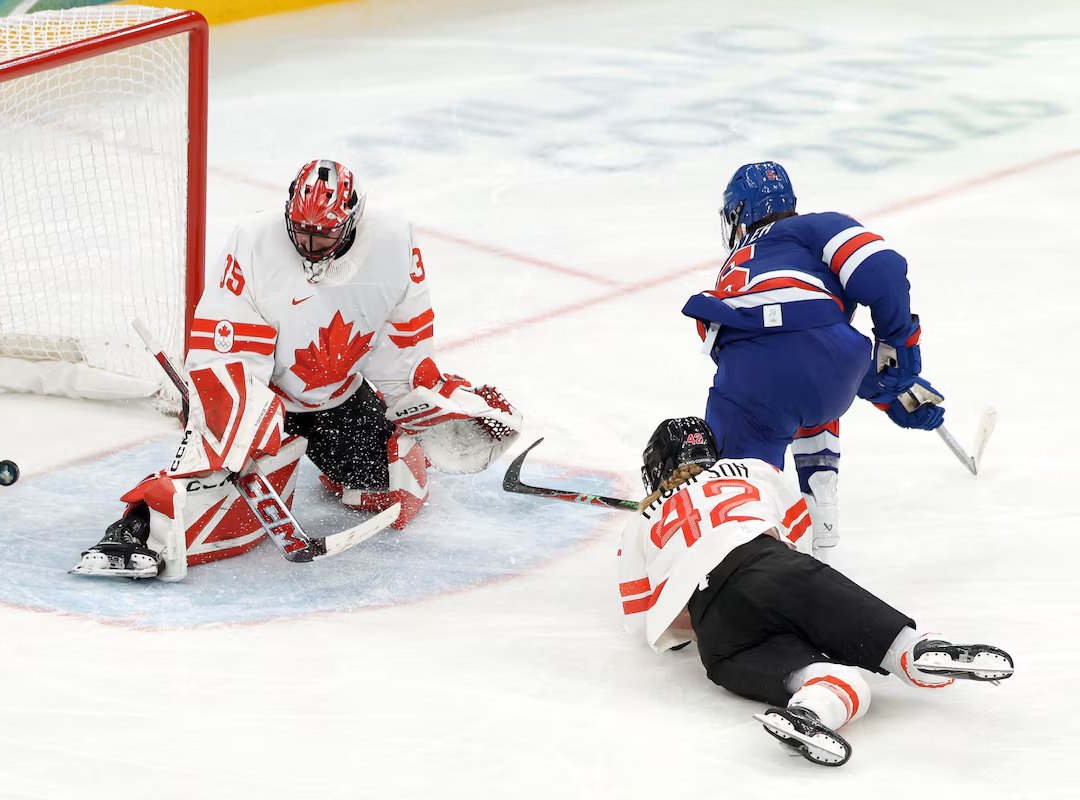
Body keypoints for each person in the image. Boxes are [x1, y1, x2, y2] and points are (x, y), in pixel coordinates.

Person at [72, 159, 522, 581]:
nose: (308, 247)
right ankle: (132, 532)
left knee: (399, 483)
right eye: (301, 233)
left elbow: (401, 358)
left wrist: (439, 404)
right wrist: (235, 433)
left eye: (322, 236)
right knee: (214, 496)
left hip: (340, 400)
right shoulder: (255, 243)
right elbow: (225, 356)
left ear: (352, 222)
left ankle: (327, 467)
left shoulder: (393, 245)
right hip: (266, 406)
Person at [618, 416, 1013, 767]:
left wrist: (689, 624)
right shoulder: (750, 470)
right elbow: (799, 536)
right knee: (885, 639)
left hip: (718, 627)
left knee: (824, 680)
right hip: (778, 569)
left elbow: (642, 618)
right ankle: (915, 653)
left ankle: (812, 711)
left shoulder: (640, 522)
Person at [681, 162, 946, 561]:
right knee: (813, 382)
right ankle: (820, 499)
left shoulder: (736, 265)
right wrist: (896, 355)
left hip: (750, 374)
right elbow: (878, 273)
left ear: (739, 214)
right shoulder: (816, 228)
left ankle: (744, 536)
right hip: (833, 365)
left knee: (742, 489)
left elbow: (774, 352)